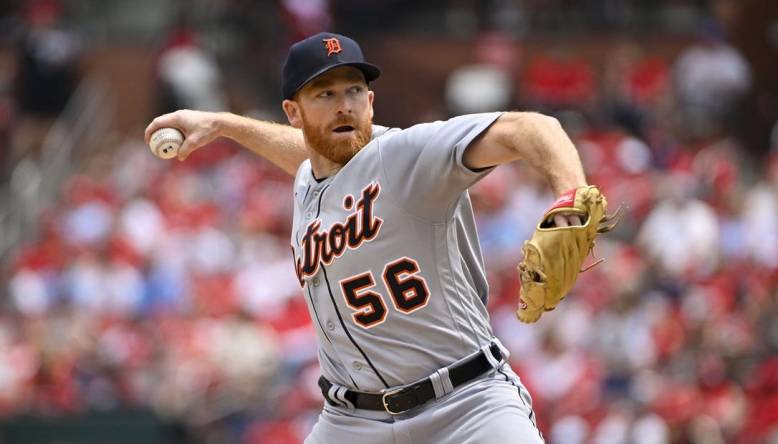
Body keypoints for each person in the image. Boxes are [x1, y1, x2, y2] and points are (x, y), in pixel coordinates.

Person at [146, 32, 589, 444]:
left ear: (371, 102)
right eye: (325, 94)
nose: (344, 105)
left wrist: (571, 195)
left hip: (467, 406)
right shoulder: (311, 175)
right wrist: (224, 125)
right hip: (352, 422)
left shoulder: (407, 155)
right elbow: (310, 154)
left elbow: (532, 128)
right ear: (293, 113)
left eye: (354, 91)